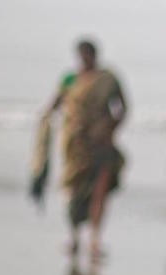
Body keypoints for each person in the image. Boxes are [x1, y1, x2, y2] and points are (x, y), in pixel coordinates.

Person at [31, 39, 128, 261]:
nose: (85, 59)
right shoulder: (69, 79)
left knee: (99, 194)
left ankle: (95, 240)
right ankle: (74, 238)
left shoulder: (108, 79)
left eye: (88, 55)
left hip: (101, 146)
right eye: (82, 55)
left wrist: (109, 129)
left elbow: (123, 109)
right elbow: (54, 105)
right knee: (72, 191)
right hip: (74, 147)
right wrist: (43, 124)